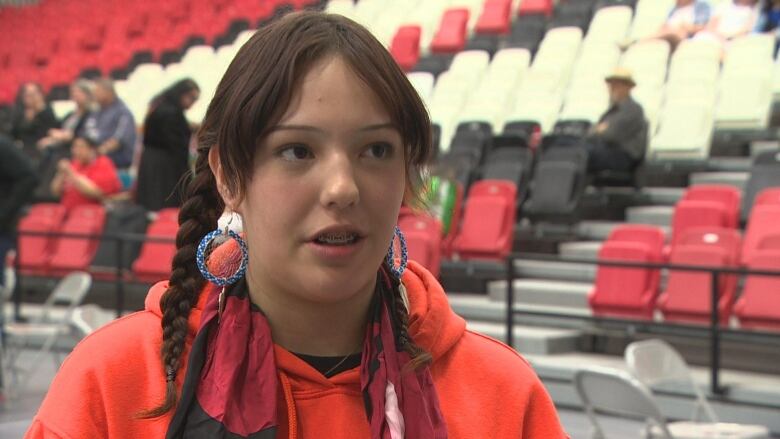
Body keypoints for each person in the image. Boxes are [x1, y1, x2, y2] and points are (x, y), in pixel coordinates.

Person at [26, 12, 568, 438]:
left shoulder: (501, 395)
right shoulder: (113, 383)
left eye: (376, 149)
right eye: (297, 151)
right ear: (229, 177)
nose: (343, 188)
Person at [135, 78, 200, 211]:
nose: (192, 103)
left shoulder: (160, 105)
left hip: (151, 161)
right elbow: (176, 142)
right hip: (164, 166)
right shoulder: (171, 113)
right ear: (181, 93)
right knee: (163, 202)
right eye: (191, 98)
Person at [35, 80, 96, 201]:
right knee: (42, 153)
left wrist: (66, 136)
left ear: (87, 95)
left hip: (74, 148)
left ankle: (48, 196)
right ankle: (38, 192)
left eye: (78, 93)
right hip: (60, 145)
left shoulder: (91, 114)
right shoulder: (71, 114)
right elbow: (58, 128)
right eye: (73, 93)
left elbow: (84, 135)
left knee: (58, 158)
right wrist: (50, 139)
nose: (74, 96)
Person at [584, 67, 648, 175]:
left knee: (584, 154)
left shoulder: (633, 109)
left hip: (623, 156)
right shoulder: (611, 111)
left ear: (627, 87)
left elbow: (611, 134)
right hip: (607, 152)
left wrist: (601, 130)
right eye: (611, 85)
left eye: (617, 85)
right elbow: (590, 133)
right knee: (577, 152)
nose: (612, 88)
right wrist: (599, 130)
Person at [50, 136, 122, 211]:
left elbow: (97, 193)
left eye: (81, 147)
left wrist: (71, 173)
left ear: (92, 149)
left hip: (90, 214)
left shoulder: (103, 163)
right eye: (74, 147)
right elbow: (55, 192)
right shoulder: (74, 164)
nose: (76, 151)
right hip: (67, 212)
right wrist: (60, 174)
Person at [82, 78, 137, 170]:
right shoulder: (96, 112)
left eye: (97, 91)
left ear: (108, 92)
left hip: (116, 159)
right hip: (94, 156)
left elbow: (118, 140)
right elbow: (87, 132)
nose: (94, 95)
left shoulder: (122, 113)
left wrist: (97, 153)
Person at [10, 82, 58, 166]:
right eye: (27, 95)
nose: (30, 97)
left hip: (40, 147)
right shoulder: (20, 112)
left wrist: (39, 112)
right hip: (23, 147)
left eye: (33, 94)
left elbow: (52, 130)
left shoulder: (46, 111)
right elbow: (14, 133)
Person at [694, 0, 760, 45]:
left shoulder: (753, 11)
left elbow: (746, 30)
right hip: (716, 37)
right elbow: (711, 26)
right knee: (700, 37)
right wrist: (720, 37)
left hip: (736, 40)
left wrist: (728, 38)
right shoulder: (723, 6)